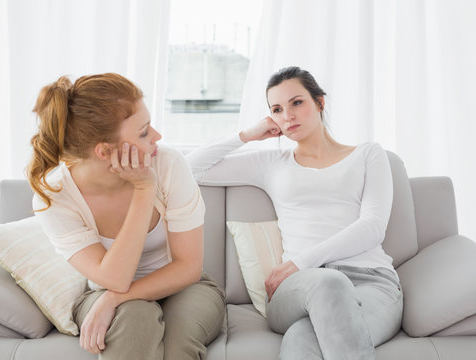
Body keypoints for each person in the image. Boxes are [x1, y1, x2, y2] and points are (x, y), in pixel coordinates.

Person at [186, 66, 403, 359]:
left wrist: (301, 261)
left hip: (372, 282)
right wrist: (246, 135)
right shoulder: (272, 163)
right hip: (298, 288)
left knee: (303, 340)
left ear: (320, 102)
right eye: (277, 109)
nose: (287, 115)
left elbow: (373, 225)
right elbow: (190, 169)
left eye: (296, 102)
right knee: (329, 282)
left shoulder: (368, 155)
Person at [27, 73, 225, 360]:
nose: (158, 136)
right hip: (102, 291)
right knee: (136, 319)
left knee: (179, 342)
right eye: (144, 132)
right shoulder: (55, 197)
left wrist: (116, 298)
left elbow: (188, 266)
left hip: (184, 286)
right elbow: (114, 279)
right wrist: (145, 189)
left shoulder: (169, 164)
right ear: (105, 151)